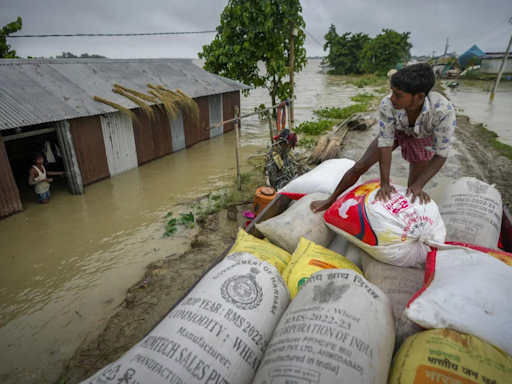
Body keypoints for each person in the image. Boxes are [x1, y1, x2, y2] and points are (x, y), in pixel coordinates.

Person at [311, 63, 456, 212]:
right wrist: (385, 183)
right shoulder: (388, 103)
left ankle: (405, 217)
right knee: (360, 166)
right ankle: (330, 200)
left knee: (414, 188)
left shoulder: (443, 111)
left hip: (422, 138)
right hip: (397, 132)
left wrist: (419, 185)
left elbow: (441, 154)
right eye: (392, 92)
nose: (392, 98)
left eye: (399, 95)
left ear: (419, 96)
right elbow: (385, 143)